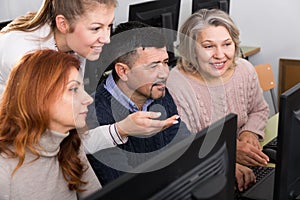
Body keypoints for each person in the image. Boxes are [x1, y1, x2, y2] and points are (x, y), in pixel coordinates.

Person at [0, 0, 179, 155]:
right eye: (96, 28)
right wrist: (121, 130)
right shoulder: (25, 57)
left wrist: (121, 129)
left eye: (109, 26)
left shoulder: (76, 44)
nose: (107, 39)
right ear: (63, 24)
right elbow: (58, 145)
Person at [166, 9, 270, 191]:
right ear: (191, 50)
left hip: (245, 157)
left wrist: (250, 133)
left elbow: (259, 109)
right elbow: (185, 147)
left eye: (227, 44)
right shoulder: (176, 84)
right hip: (205, 171)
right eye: (208, 46)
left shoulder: (244, 69)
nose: (220, 54)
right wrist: (228, 158)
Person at [87, 21, 190, 186]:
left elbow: (182, 144)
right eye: (153, 66)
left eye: (165, 62)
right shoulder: (95, 116)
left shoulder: (157, 91)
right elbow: (124, 187)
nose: (164, 73)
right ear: (123, 71)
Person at [0, 49, 100, 199]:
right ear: (39, 97)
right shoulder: (4, 168)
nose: (88, 99)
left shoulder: (70, 144)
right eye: (73, 89)